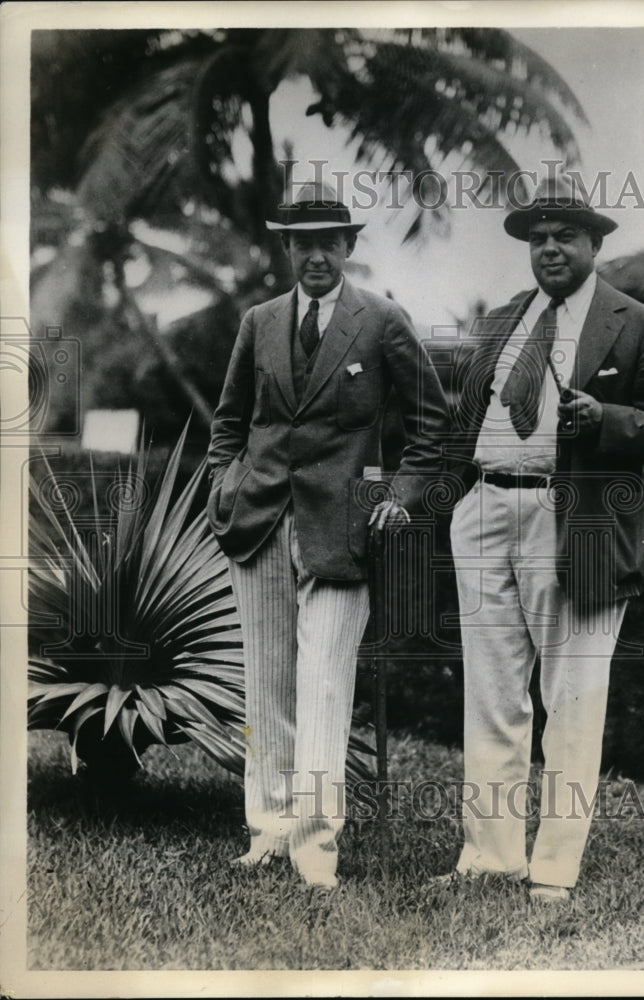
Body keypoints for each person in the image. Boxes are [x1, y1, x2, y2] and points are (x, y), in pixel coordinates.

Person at [442, 172, 644, 901]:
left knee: (573, 697)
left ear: (593, 244)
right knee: (490, 695)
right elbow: (464, 425)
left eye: (565, 237)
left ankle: (552, 868)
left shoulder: (633, 323)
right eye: (538, 238)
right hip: (487, 509)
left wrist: (607, 420)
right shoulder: (501, 321)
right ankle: (488, 857)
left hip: (576, 520)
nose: (549, 248)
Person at [207, 180, 449, 889]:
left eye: (329, 243)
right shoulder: (258, 321)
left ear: (348, 247)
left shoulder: (381, 322)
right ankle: (268, 833)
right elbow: (229, 421)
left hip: (342, 531)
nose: (316, 255)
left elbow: (432, 425)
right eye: (302, 243)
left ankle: (315, 851)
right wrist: (224, 484)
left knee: (322, 688)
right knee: (268, 687)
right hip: (257, 522)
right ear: (286, 248)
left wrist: (401, 495)